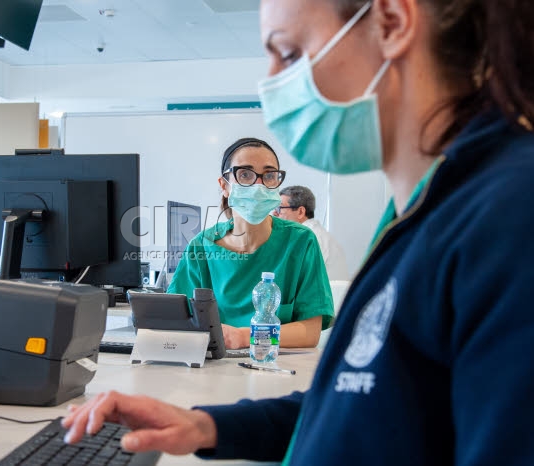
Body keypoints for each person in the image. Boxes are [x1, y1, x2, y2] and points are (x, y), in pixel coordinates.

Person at [63, 0, 534, 464]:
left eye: (288, 54)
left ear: (392, 22)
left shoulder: (510, 217)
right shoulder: (421, 209)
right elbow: (365, 406)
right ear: (225, 186)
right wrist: (207, 427)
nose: (270, 82)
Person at [167, 137, 334, 349]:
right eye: (245, 174)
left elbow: (310, 333)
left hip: (279, 368)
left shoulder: (301, 242)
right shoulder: (202, 247)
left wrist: (245, 337)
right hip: (214, 369)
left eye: (269, 175)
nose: (258, 185)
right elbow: (177, 320)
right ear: (224, 186)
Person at [273, 185, 350, 280]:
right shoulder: (319, 234)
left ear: (300, 212)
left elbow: (287, 278)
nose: (274, 214)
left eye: (279, 209)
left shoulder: (307, 237)